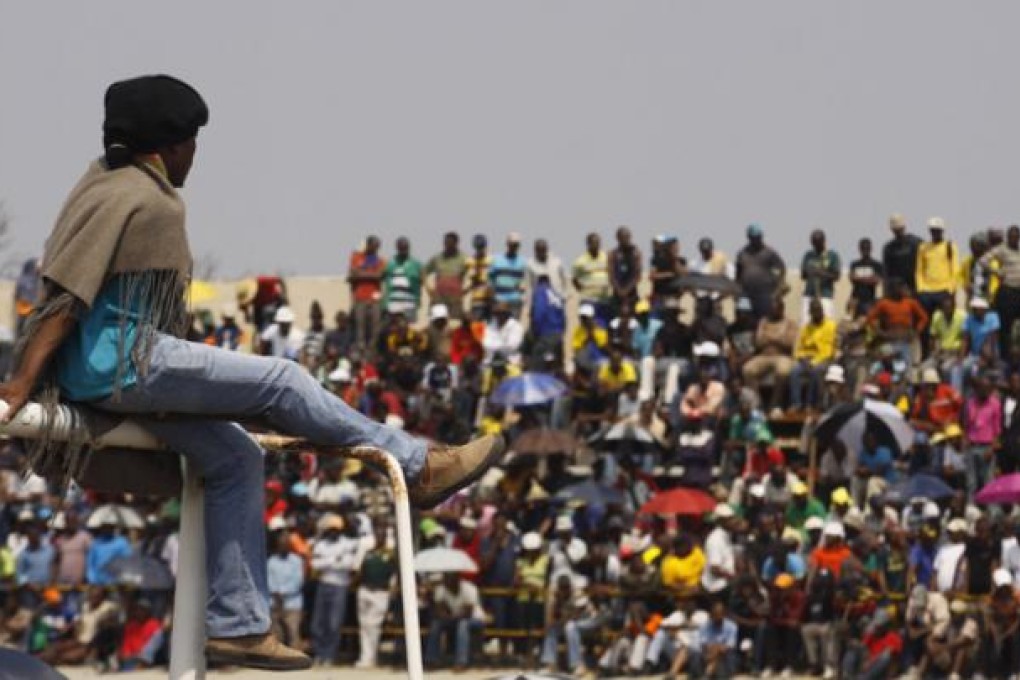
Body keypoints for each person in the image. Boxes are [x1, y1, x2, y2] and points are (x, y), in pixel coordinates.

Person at [0, 75, 503, 670]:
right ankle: (421, 466)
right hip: (122, 361)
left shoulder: (106, 186)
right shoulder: (131, 194)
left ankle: (239, 624)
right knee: (283, 381)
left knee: (235, 455)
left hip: (113, 366)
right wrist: (18, 386)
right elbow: (66, 293)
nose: (195, 154)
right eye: (190, 140)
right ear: (166, 144)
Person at [310, 513, 360, 666]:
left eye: (336, 529)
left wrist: (327, 562)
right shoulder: (321, 544)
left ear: (340, 530)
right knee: (318, 623)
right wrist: (334, 560)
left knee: (333, 623)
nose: (333, 532)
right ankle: (319, 653)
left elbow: (348, 564)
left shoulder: (348, 544)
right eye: (330, 529)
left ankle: (329, 655)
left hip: (340, 586)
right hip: (323, 585)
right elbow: (315, 564)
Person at [916, 217, 960, 355]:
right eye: (933, 231)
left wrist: (951, 290)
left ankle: (945, 349)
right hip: (927, 291)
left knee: (944, 322)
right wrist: (921, 289)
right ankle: (926, 352)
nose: (935, 233)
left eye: (937, 231)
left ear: (942, 231)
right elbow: (919, 270)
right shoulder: (923, 247)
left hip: (944, 290)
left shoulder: (949, 246)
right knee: (926, 323)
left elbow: (955, 269)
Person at [425, 571, 486, 671]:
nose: (447, 582)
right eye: (446, 579)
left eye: (450, 579)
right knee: (436, 624)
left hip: (475, 619)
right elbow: (439, 610)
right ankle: (431, 660)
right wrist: (445, 615)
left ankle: (461, 662)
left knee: (463, 624)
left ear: (457, 579)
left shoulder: (469, 588)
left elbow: (468, 613)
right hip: (453, 618)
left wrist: (450, 616)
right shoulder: (441, 589)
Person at [356, 522, 395, 669]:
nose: (380, 537)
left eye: (382, 535)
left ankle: (372, 657)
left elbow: (394, 573)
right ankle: (364, 657)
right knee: (364, 625)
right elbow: (360, 571)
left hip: (381, 593)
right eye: (377, 535)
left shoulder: (390, 554)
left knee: (373, 626)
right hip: (365, 590)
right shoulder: (368, 552)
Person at [789, 298, 837, 413]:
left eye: (818, 311)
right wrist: (802, 357)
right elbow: (800, 348)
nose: (817, 314)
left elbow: (829, 351)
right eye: (814, 312)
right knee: (795, 371)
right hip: (807, 359)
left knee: (815, 370)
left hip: (823, 359)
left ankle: (810, 404)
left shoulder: (830, 326)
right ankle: (796, 403)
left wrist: (814, 361)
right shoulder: (807, 327)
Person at [980, 224, 1020, 357]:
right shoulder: (1001, 249)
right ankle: (1005, 357)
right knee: (1005, 328)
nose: (1014, 239)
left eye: (1016, 236)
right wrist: (996, 272)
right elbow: (983, 261)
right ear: (1007, 237)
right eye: (1011, 236)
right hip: (1007, 292)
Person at [735, 223, 786, 321]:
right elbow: (738, 274)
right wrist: (737, 293)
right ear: (749, 237)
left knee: (764, 320)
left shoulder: (769, 253)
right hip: (745, 294)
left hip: (764, 294)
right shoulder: (742, 253)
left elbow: (781, 270)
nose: (756, 240)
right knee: (744, 319)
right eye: (753, 238)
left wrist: (777, 290)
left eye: (758, 237)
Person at [267, 534, 304, 650]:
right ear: (277, 546)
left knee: (293, 632)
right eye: (281, 545)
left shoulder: (297, 561)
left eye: (286, 544)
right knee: (276, 634)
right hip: (274, 603)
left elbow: (297, 581)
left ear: (290, 546)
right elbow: (268, 580)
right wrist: (276, 593)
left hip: (292, 603)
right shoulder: (271, 561)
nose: (284, 547)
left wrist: (282, 592)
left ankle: (297, 661)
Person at [426, 232, 469, 320]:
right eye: (445, 243)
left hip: (455, 297)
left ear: (456, 243)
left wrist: (466, 290)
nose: (447, 245)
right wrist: (428, 288)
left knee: (455, 322)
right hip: (438, 296)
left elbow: (474, 275)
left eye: (450, 243)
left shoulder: (464, 259)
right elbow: (423, 271)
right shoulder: (437, 258)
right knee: (436, 321)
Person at [800, 228, 841, 320]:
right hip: (809, 295)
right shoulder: (808, 255)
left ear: (824, 241)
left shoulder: (832, 255)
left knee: (826, 321)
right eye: (814, 243)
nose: (816, 245)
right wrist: (808, 272)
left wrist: (821, 273)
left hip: (825, 295)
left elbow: (836, 276)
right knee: (806, 323)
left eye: (818, 242)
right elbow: (803, 276)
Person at [572, 232, 611, 321]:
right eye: (593, 243)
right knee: (588, 328)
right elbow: (574, 280)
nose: (596, 245)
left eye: (597, 243)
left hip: (604, 300)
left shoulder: (607, 257)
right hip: (588, 300)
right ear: (588, 244)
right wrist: (585, 290)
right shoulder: (580, 261)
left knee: (603, 329)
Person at [382, 236, 423, 320]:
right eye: (401, 248)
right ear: (397, 248)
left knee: (408, 328)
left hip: (410, 302)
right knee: (393, 327)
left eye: (405, 248)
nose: (403, 250)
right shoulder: (390, 263)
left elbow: (421, 281)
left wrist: (418, 299)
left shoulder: (416, 264)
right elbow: (382, 279)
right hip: (393, 303)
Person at [488, 233, 528, 316]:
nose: (513, 247)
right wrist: (492, 297)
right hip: (499, 299)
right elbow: (490, 280)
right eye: (512, 244)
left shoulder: (523, 262)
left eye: (516, 245)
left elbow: (525, 281)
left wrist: (522, 290)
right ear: (507, 244)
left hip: (515, 300)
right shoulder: (496, 259)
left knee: (514, 326)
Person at [882, 213, 920, 293]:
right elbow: (886, 272)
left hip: (916, 287)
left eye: (900, 229)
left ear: (904, 228)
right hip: (897, 289)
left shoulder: (916, 243)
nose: (898, 232)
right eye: (896, 230)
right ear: (892, 230)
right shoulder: (888, 248)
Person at [848, 237, 884, 315]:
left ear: (871, 248)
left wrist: (859, 278)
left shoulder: (877, 265)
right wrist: (868, 278)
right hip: (855, 299)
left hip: (869, 300)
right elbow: (852, 278)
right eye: (863, 248)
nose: (865, 250)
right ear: (859, 249)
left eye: (867, 248)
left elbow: (876, 280)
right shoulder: (855, 264)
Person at [464, 234, 493, 317]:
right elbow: (469, 280)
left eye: (481, 246)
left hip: (490, 299)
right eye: (478, 247)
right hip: (477, 300)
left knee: (490, 328)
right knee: (477, 327)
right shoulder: (469, 261)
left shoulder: (491, 260)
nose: (480, 249)